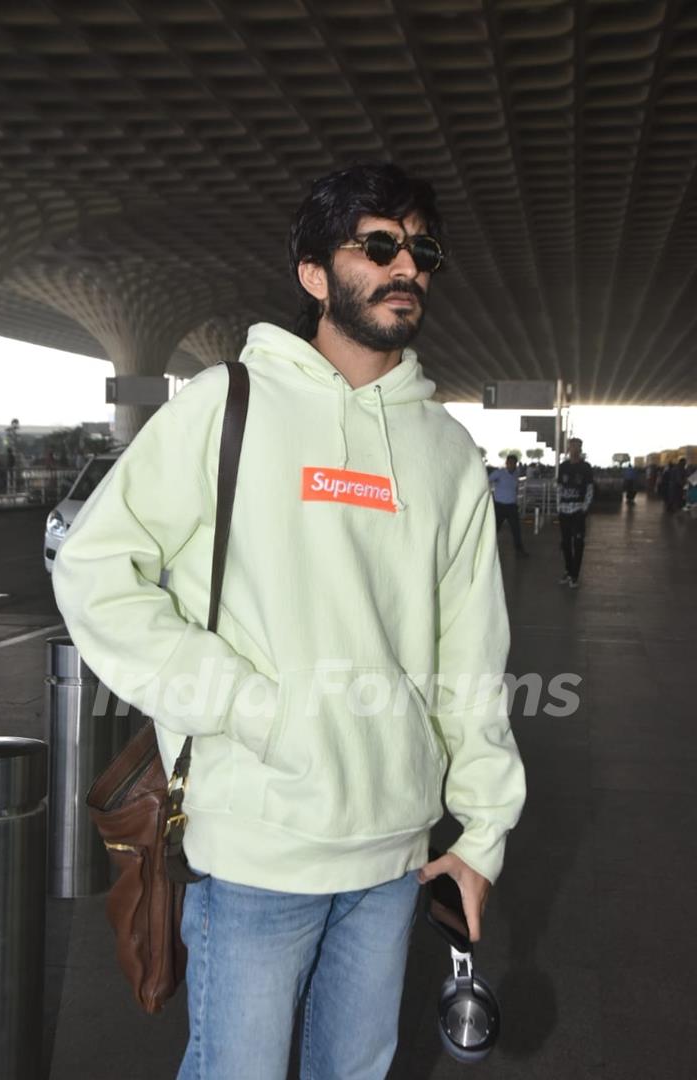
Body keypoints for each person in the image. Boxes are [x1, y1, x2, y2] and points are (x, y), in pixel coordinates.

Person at [53, 162, 526, 1080]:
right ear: (314, 273)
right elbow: (97, 569)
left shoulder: (446, 453)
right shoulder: (224, 407)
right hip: (259, 848)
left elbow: (473, 659)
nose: (407, 267)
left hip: (392, 856)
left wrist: (481, 837)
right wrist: (246, 705)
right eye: (378, 245)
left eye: (421, 250)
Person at [557, 437, 593, 588]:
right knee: (565, 543)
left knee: (578, 543)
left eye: (576, 447)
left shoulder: (586, 467)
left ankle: (574, 575)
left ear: (580, 449)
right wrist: (558, 506)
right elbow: (559, 487)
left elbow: (590, 488)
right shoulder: (563, 466)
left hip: (578, 510)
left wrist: (585, 507)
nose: (574, 450)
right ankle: (568, 570)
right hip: (564, 510)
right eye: (571, 447)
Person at [489, 453, 529, 555]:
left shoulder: (516, 473)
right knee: (494, 530)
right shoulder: (499, 473)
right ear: (506, 463)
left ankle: (519, 550)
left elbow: (515, 488)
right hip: (500, 506)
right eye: (510, 463)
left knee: (516, 529)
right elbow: (487, 480)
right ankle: (487, 550)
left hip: (511, 506)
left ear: (516, 464)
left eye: (514, 463)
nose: (512, 465)